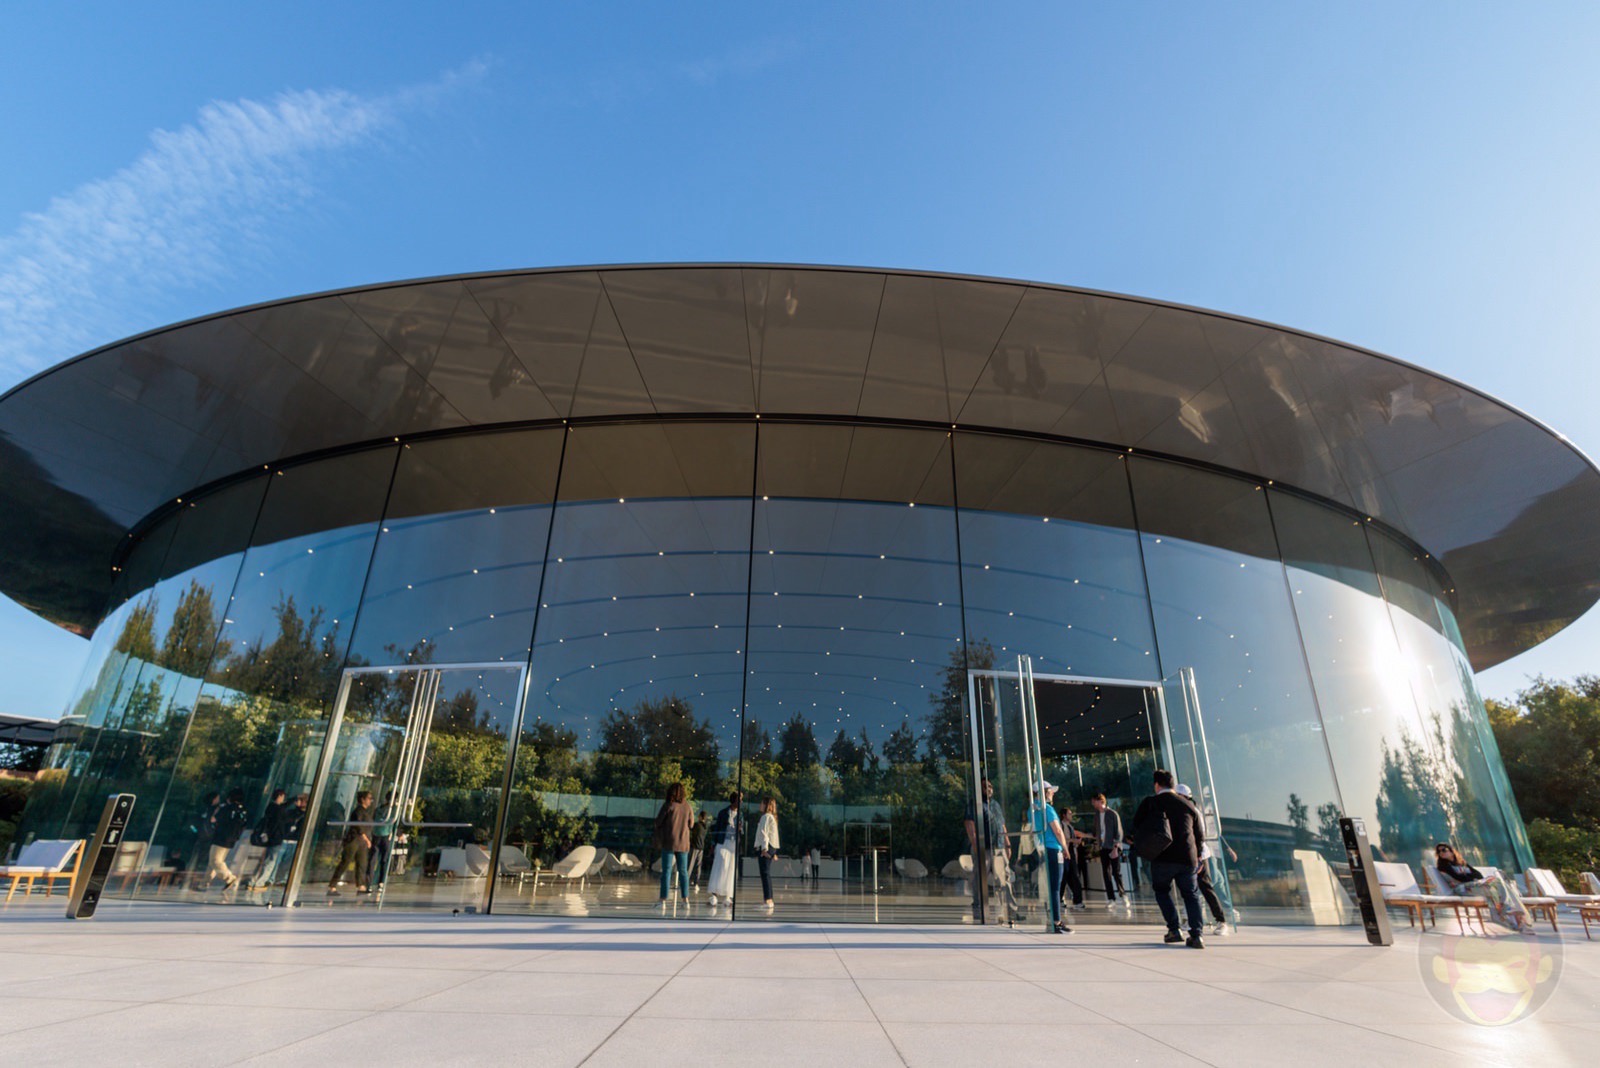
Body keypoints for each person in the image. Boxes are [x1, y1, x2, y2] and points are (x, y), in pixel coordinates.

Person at [1132, 769, 1206, 949]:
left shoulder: (1151, 802)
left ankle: (1174, 929)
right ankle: (1196, 935)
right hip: (1187, 858)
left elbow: (1136, 825)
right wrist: (1199, 857)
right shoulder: (1188, 805)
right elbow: (1199, 835)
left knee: (1162, 891)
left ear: (1157, 785)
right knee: (1191, 895)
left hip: (1162, 856)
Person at [1433, 842, 1535, 934]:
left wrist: (1471, 878)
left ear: (1451, 851)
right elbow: (1459, 878)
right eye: (1439, 851)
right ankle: (1513, 914)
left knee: (1497, 885)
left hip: (1474, 885)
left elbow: (1478, 874)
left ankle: (1511, 918)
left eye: (1444, 850)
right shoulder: (1443, 866)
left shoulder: (1462, 863)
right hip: (1462, 888)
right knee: (1495, 886)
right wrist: (1472, 877)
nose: (1441, 852)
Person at [964, 778, 1019, 924]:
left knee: (1005, 878)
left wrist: (1007, 844)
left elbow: (1002, 825)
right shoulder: (974, 804)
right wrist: (976, 845)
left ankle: (1011, 910)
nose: (988, 789)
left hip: (999, 847)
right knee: (979, 878)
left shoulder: (995, 805)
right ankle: (978, 907)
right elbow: (969, 825)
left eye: (990, 786)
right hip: (984, 848)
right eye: (985, 787)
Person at [1176, 785, 1229, 935]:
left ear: (1184, 797)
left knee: (1206, 889)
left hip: (1199, 856)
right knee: (1189, 890)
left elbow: (1200, 836)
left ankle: (1221, 921)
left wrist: (1198, 858)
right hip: (1187, 856)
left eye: (1178, 796)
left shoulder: (1193, 812)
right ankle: (1191, 920)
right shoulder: (1180, 812)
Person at [1028, 782, 1073, 934]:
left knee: (1049, 886)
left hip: (1042, 850)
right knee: (1055, 886)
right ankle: (1056, 922)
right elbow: (1058, 830)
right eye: (1050, 791)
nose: (1053, 793)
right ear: (1044, 792)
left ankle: (1052, 919)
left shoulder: (1031, 810)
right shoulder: (1047, 809)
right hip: (1053, 849)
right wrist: (1065, 848)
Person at [252, 793, 307, 890]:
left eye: (301, 801)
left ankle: (281, 879)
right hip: (285, 839)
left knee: (287, 862)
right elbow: (283, 820)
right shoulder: (290, 812)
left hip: (294, 840)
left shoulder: (306, 815)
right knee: (275, 860)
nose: (297, 802)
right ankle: (271, 879)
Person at [654, 782, 693, 907]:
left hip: (669, 842)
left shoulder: (668, 805)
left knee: (666, 871)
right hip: (683, 843)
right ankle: (685, 900)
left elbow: (658, 822)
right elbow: (691, 824)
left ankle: (662, 900)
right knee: (683, 872)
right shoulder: (688, 806)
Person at [327, 790, 374, 895]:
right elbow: (358, 826)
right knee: (345, 862)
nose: (370, 801)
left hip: (362, 842)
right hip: (354, 839)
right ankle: (332, 885)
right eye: (369, 798)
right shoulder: (358, 811)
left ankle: (361, 886)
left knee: (362, 863)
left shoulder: (366, 812)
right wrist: (366, 839)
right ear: (362, 799)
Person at [206, 788, 250, 891]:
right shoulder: (243, 810)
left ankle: (229, 878)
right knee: (215, 861)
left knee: (215, 861)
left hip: (221, 837)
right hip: (231, 838)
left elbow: (214, 820)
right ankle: (206, 882)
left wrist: (216, 813)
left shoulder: (227, 808)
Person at [706, 791, 742, 908]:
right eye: (739, 799)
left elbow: (741, 831)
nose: (741, 802)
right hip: (722, 843)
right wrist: (713, 844)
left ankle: (728, 896)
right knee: (719, 866)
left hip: (733, 844)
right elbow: (717, 829)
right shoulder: (723, 813)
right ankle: (714, 895)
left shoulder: (740, 814)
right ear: (734, 800)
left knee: (731, 869)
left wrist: (740, 829)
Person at [1089, 793, 1127, 906]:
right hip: (1103, 847)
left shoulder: (1112, 814)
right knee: (1106, 873)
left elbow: (1119, 832)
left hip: (1113, 847)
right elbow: (1095, 832)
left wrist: (1115, 848)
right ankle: (1111, 899)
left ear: (1101, 801)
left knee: (1116, 872)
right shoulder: (1096, 815)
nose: (1093, 804)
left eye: (1094, 801)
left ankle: (1123, 894)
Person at [1056, 797, 1086, 912]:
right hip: (1066, 854)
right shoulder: (1062, 826)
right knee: (1069, 877)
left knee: (1069, 878)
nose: (1071, 815)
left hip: (1071, 854)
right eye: (1069, 813)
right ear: (1064, 815)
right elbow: (1063, 839)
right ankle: (1074, 900)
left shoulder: (1070, 827)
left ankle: (1073, 900)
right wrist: (1074, 841)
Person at [753, 797, 780, 910]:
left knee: (765, 874)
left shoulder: (765, 817)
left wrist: (764, 849)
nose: (760, 805)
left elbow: (764, 833)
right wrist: (773, 852)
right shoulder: (771, 817)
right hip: (771, 847)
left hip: (766, 847)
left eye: (761, 803)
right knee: (766, 874)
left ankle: (768, 900)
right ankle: (769, 899)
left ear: (766, 805)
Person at [687, 810, 709, 888]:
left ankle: (686, 880)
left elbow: (690, 827)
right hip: (701, 848)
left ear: (700, 817)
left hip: (695, 847)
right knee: (698, 865)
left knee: (690, 864)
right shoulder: (705, 827)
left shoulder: (697, 825)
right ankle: (696, 881)